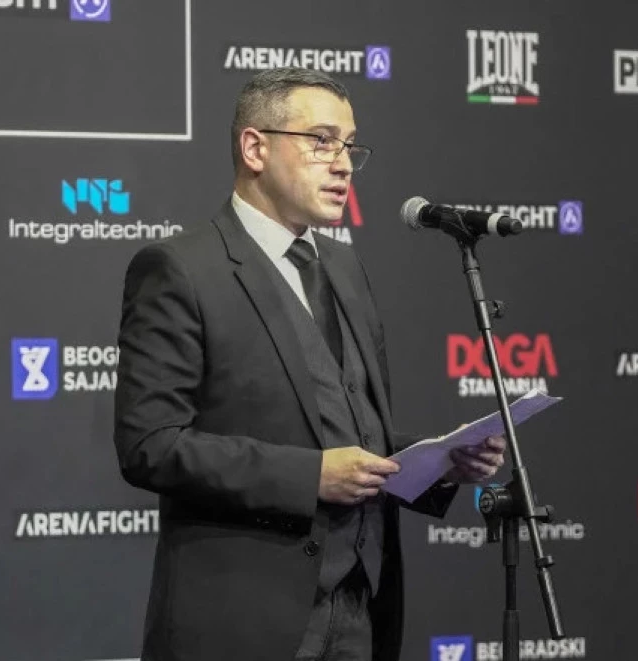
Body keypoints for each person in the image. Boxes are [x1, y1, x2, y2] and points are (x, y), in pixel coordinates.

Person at [113, 67, 507, 661]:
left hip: (361, 611)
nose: (343, 164)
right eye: (322, 141)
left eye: (349, 146)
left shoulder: (344, 269)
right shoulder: (180, 269)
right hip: (242, 620)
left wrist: (439, 461)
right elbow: (151, 445)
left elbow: (347, 428)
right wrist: (310, 476)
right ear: (255, 148)